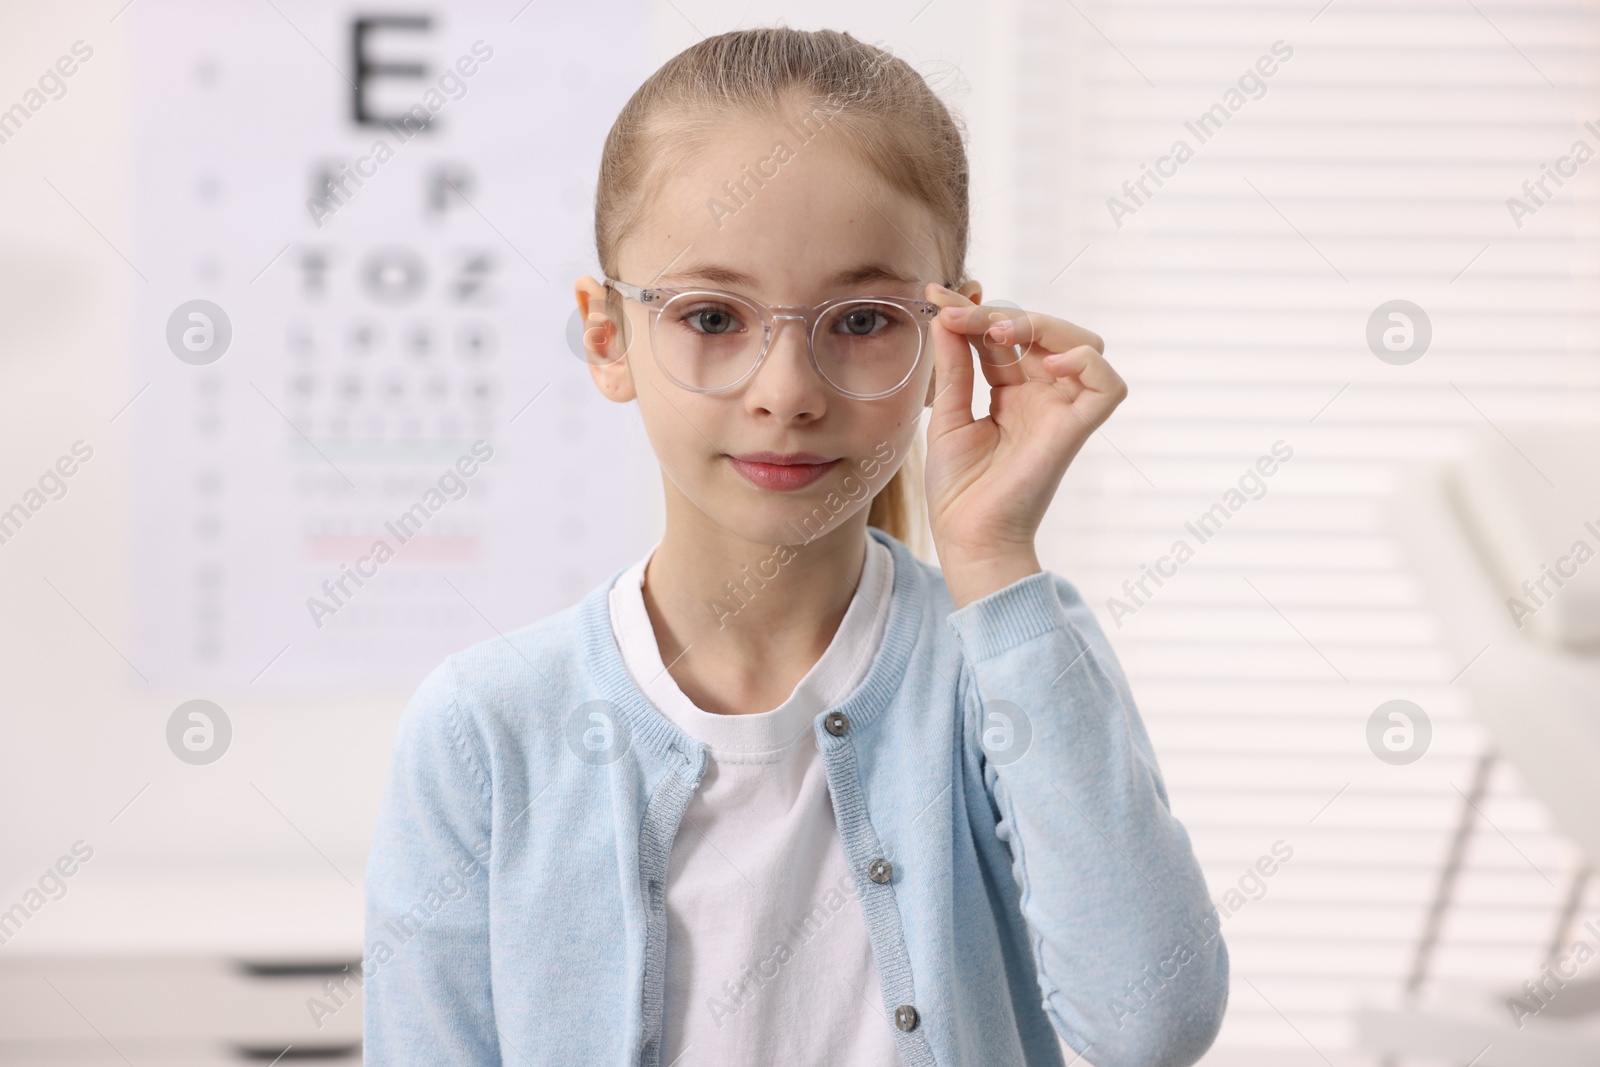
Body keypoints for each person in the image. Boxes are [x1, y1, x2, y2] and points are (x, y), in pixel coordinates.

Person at [364, 26, 1226, 1067]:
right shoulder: (486, 727)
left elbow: (1151, 1024)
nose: (787, 390)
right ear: (606, 337)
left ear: (950, 333)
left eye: (861, 319)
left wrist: (993, 550)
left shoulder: (1001, 656)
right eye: (713, 315)